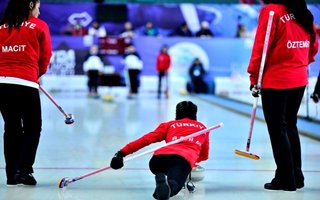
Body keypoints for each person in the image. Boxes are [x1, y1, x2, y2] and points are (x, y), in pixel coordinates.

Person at [247, 0, 318, 192]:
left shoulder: (271, 11)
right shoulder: (303, 11)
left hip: (277, 80)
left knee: (278, 129)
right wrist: (302, 62)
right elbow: (313, 44)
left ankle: (287, 179)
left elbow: (261, 46)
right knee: (290, 126)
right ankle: (295, 175)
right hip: (299, 78)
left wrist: (254, 76)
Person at [110, 101, 209, 200]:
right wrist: (192, 163)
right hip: (182, 160)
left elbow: (145, 139)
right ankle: (168, 188)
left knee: (170, 169)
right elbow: (204, 155)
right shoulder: (203, 129)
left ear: (177, 114)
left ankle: (161, 183)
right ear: (195, 115)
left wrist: (121, 153)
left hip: (158, 160)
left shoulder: (170, 125)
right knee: (175, 184)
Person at [0, 0, 52, 186]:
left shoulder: (1, 27)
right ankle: (25, 171)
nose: (39, 11)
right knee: (32, 128)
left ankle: (11, 175)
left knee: (11, 128)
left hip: (2, 84)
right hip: (26, 82)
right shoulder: (39, 26)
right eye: (38, 7)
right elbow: (45, 56)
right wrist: (37, 73)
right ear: (30, 5)